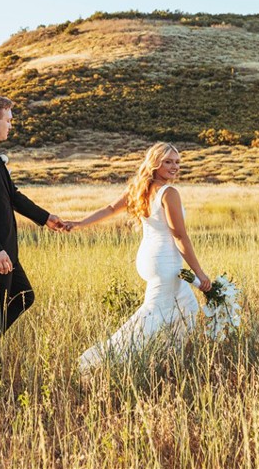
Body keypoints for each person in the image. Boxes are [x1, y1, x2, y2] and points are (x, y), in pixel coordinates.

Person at [67, 142, 211, 371]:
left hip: (149, 258)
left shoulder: (140, 188)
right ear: (155, 163)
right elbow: (180, 236)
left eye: (177, 162)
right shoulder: (168, 193)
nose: (174, 167)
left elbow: (108, 209)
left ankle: (167, 360)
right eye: (168, 162)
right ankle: (101, 360)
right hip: (165, 262)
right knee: (152, 315)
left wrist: (79, 223)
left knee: (188, 307)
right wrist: (199, 273)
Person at [0, 95, 67, 378]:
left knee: (24, 296)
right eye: (8, 119)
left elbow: (12, 196)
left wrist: (46, 218)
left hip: (6, 251)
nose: (11, 124)